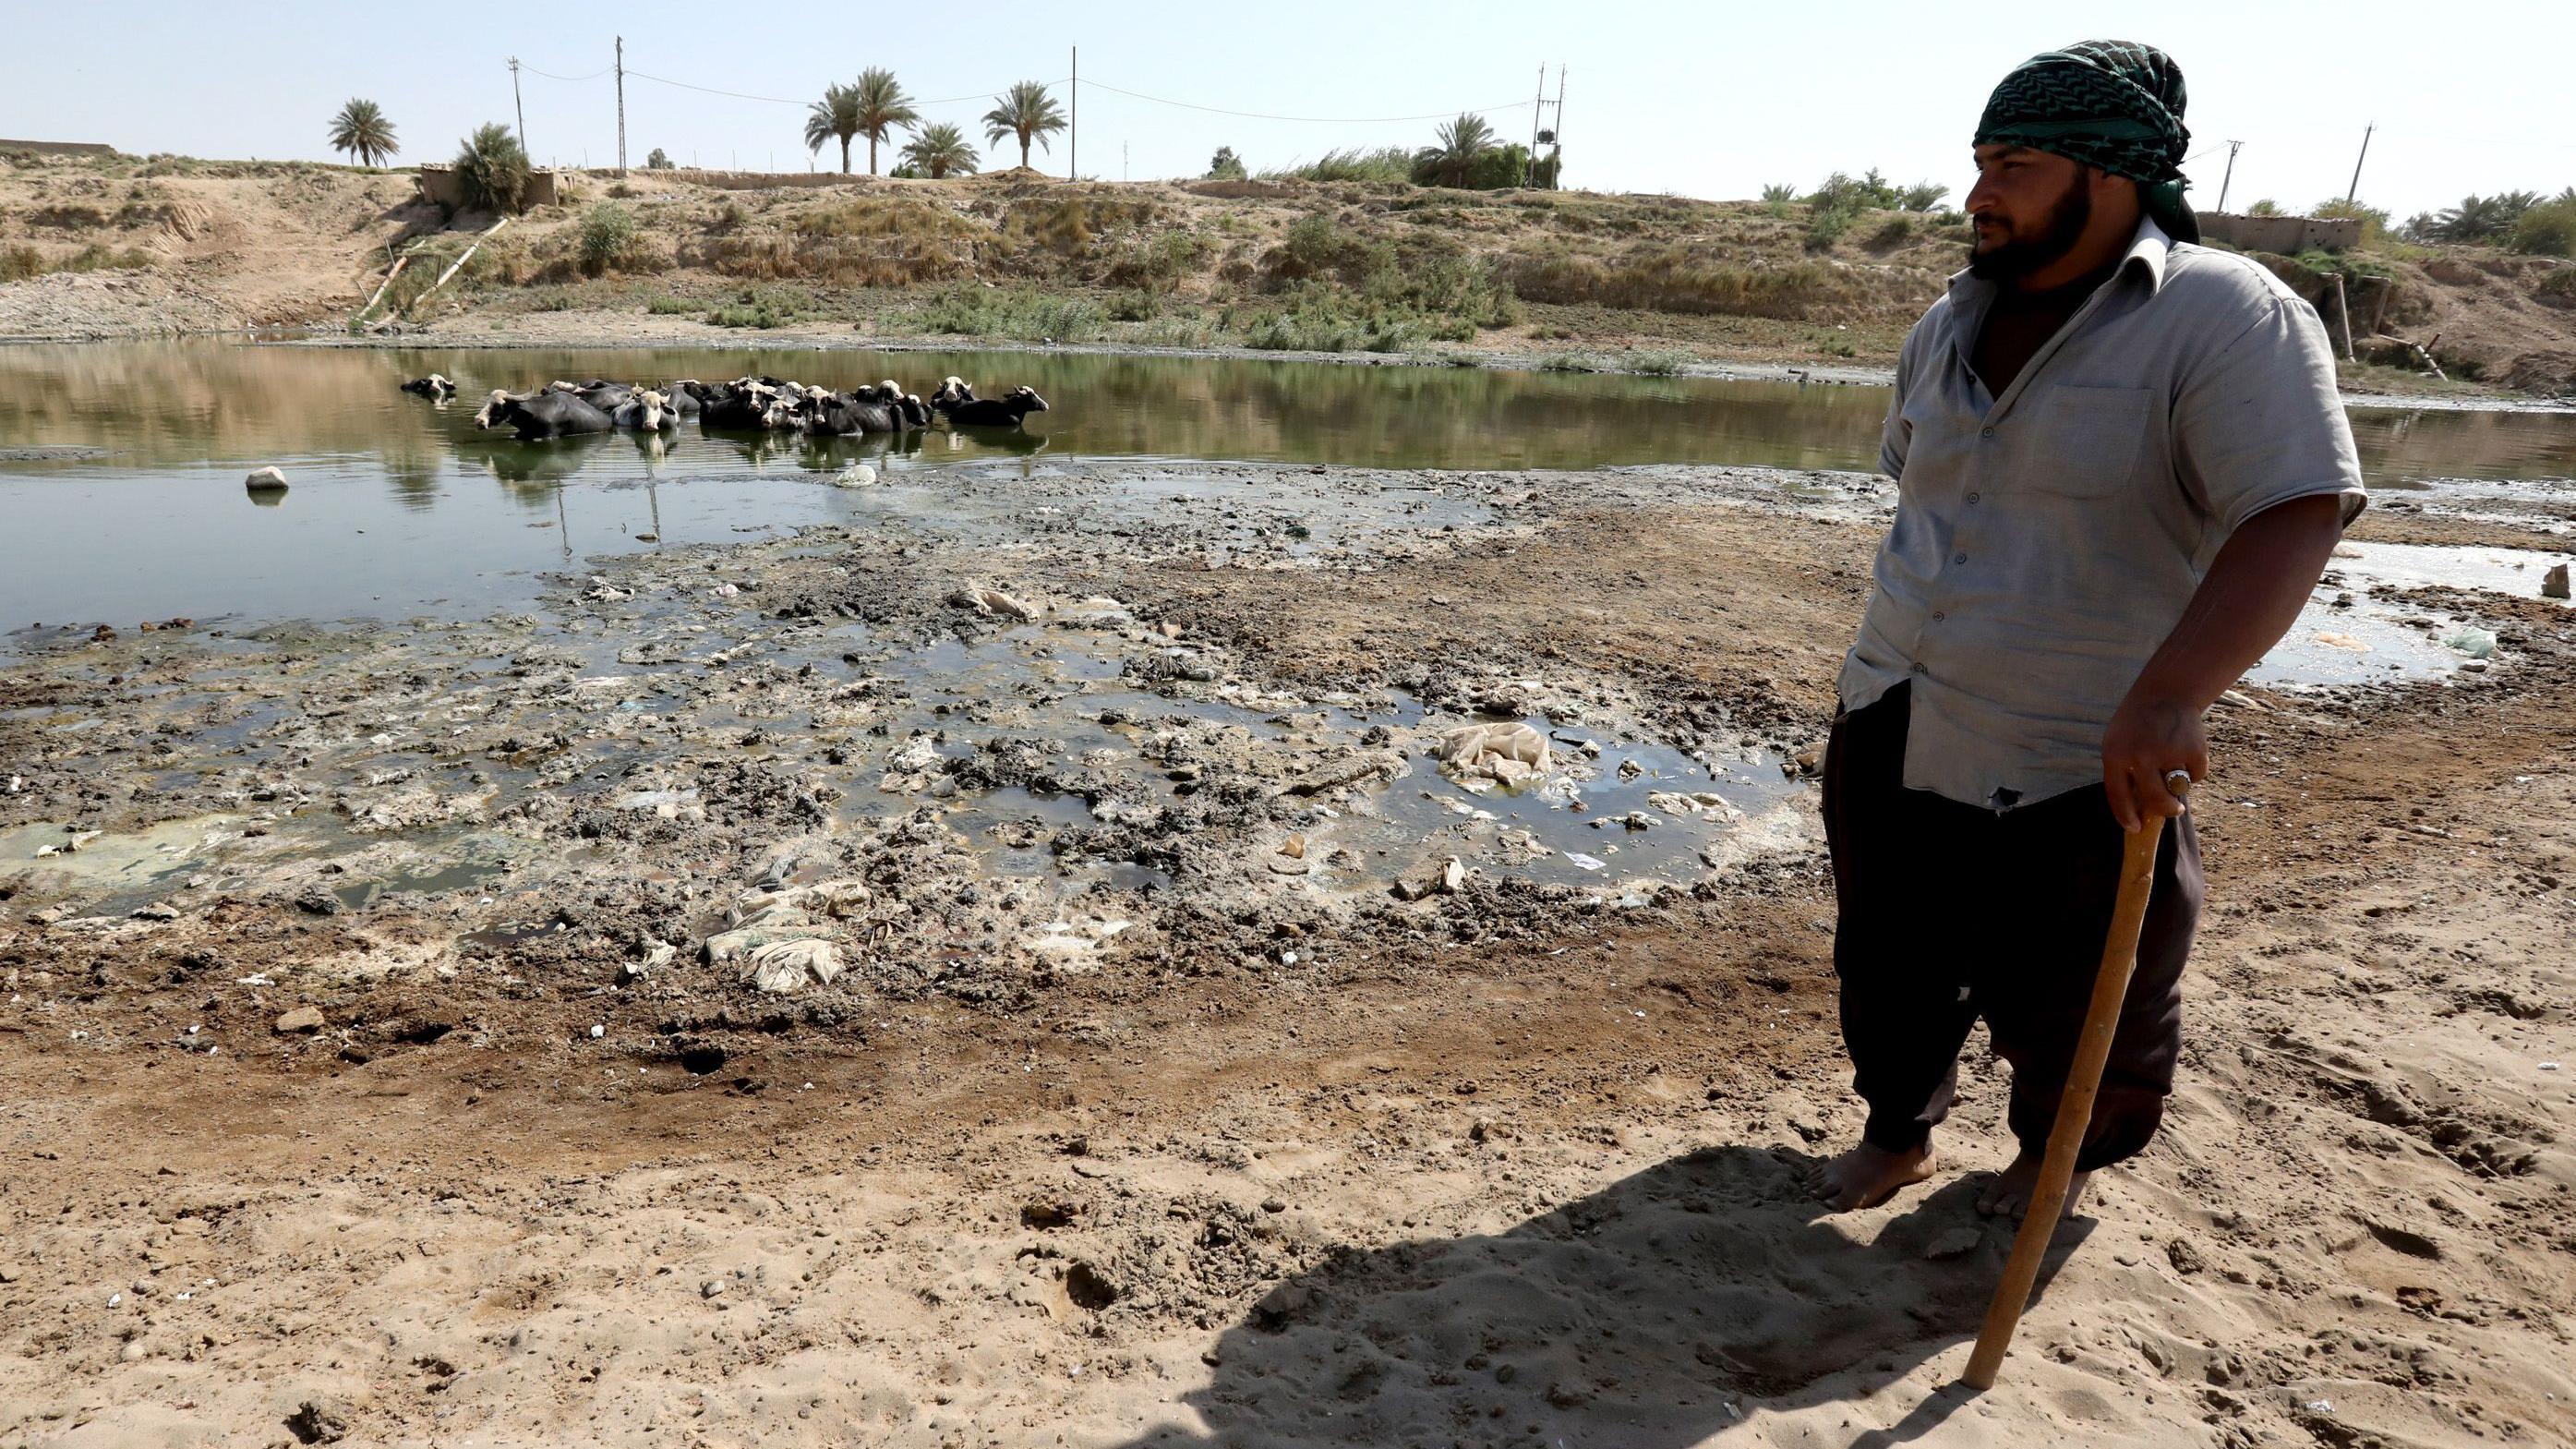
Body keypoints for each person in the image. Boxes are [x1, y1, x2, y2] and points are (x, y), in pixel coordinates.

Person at [1805, 40, 2365, 1219]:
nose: (1979, 193)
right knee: (1890, 956)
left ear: (2110, 175)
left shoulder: (2224, 316)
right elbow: (1923, 487)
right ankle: (1897, 1133)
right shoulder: (1950, 318)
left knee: (2080, 994)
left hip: (2078, 746)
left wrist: (2175, 693)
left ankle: (2047, 1163)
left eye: (2014, 162)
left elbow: (2296, 508)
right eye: (1978, 161)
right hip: (1895, 703)